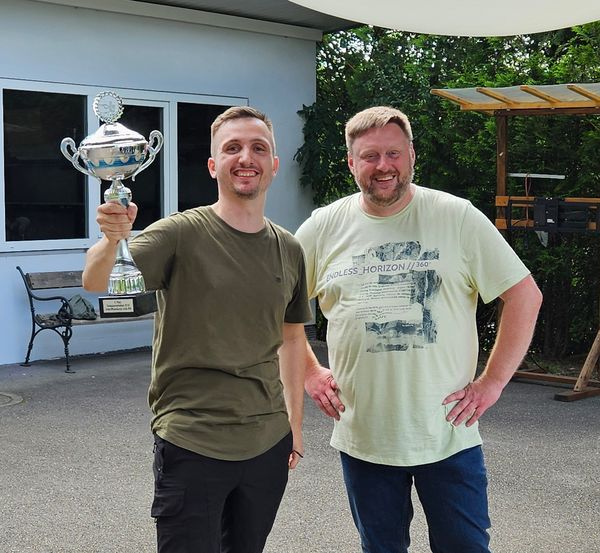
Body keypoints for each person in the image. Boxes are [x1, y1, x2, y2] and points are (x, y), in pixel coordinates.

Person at [295, 106, 543, 553]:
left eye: (393, 153)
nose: (383, 166)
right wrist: (310, 373)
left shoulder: (457, 217)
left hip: (448, 434)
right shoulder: (323, 227)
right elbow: (279, 307)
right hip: (366, 437)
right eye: (369, 156)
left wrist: (492, 383)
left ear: (412, 156)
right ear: (351, 163)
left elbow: (525, 296)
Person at [82, 106, 312, 553]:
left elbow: (291, 338)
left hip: (266, 443)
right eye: (232, 148)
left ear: (274, 164)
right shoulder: (180, 234)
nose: (246, 157)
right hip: (192, 441)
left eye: (258, 148)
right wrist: (112, 239)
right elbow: (96, 281)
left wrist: (294, 427)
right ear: (213, 165)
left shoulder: (289, 247)